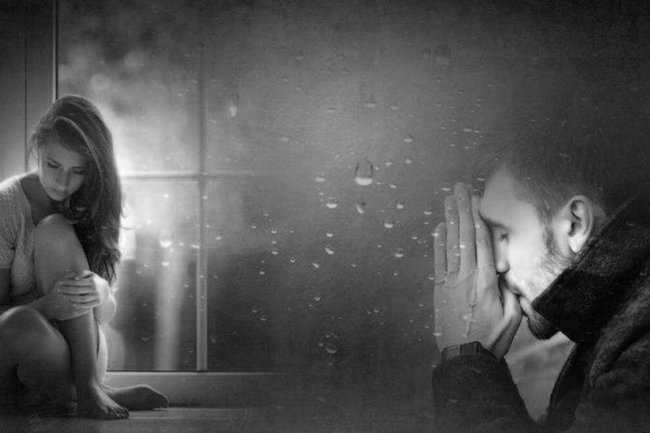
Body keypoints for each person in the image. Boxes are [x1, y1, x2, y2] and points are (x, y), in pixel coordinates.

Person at [431, 95, 650, 432]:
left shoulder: (639, 345)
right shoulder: (618, 327)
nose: (497, 265)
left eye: (503, 235)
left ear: (574, 224)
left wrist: (465, 358)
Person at [0, 95, 168, 419]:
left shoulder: (94, 205)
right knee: (22, 322)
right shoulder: (6, 206)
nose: (62, 183)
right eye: (53, 165)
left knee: (54, 229)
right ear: (38, 148)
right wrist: (46, 307)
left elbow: (103, 315)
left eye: (78, 171)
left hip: (80, 359)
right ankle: (91, 392)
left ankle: (87, 388)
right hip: (19, 352)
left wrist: (101, 291)